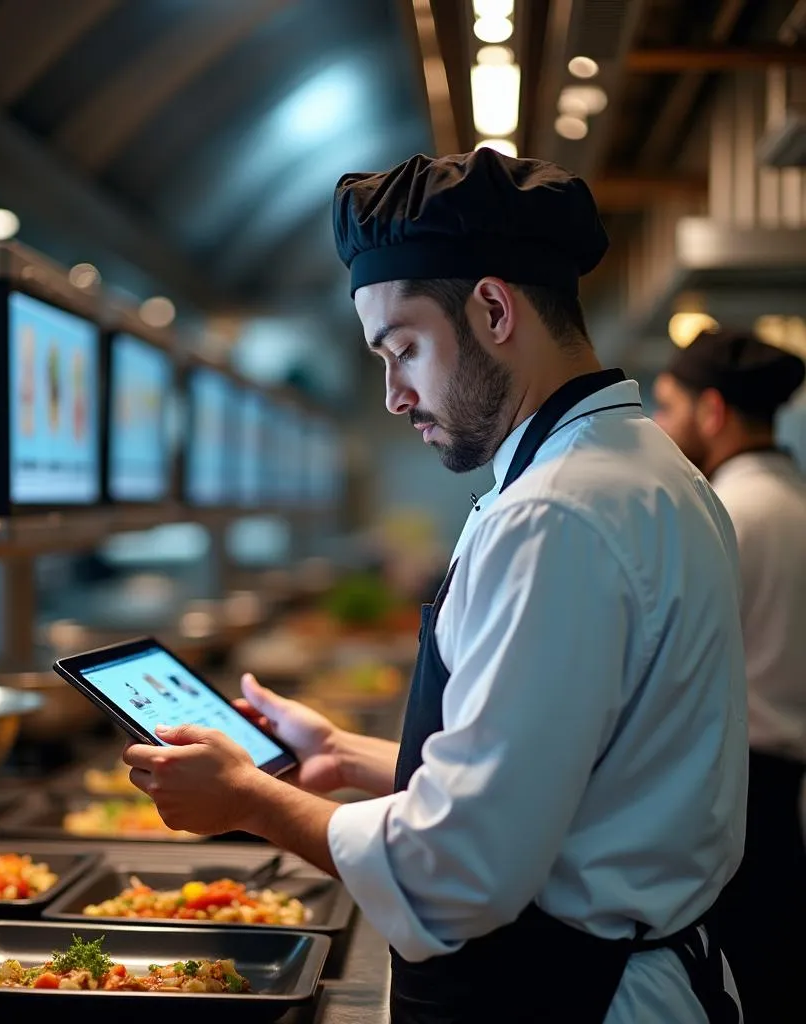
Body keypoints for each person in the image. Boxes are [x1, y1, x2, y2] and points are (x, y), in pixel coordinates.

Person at [123, 149, 747, 1023]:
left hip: (570, 996)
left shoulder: (558, 514)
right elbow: (571, 772)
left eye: (403, 348)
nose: (393, 394)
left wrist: (251, 800)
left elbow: (458, 871)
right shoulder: (642, 470)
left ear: (493, 309)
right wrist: (351, 756)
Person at [654, 329, 806, 1023]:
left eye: (667, 407)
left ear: (711, 412)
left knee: (747, 971)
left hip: (736, 787)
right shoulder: (792, 499)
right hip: (783, 792)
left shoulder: (724, 513)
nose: (660, 428)